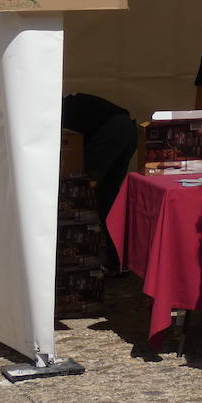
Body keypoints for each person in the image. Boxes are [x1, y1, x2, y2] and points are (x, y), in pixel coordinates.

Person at [60, 92, 137, 271]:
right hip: (128, 129)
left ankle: (82, 260)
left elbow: (70, 148)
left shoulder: (62, 111)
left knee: (81, 195)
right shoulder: (76, 104)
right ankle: (117, 259)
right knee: (106, 200)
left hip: (111, 131)